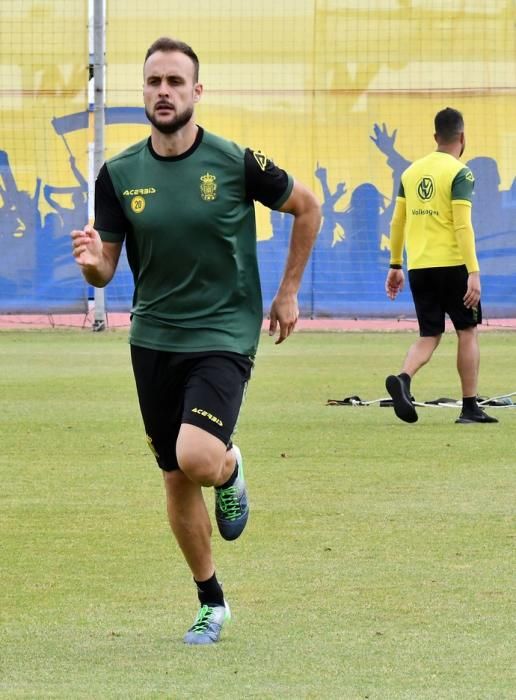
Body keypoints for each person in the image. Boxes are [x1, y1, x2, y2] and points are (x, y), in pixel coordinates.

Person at [71, 37, 321, 645]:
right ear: (144, 91)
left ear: (196, 92)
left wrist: (287, 293)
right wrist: (90, 266)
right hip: (153, 337)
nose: (164, 91)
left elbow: (308, 208)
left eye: (175, 82)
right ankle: (212, 601)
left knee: (199, 458)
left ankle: (230, 467)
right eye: (154, 81)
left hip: (224, 331)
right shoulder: (118, 174)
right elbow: (105, 268)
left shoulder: (236, 162)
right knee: (176, 479)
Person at [384, 107, 497, 425]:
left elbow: (397, 222)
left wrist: (395, 265)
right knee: (467, 331)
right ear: (462, 137)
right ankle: (469, 407)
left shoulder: (410, 173)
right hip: (453, 265)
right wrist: (473, 272)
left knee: (429, 334)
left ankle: (404, 379)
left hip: (419, 267)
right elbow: (462, 226)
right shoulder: (461, 173)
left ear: (435, 137)